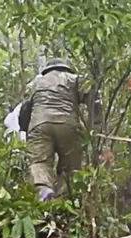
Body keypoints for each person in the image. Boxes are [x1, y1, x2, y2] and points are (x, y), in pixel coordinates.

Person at [19, 58, 101, 201]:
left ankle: (43, 191)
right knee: (71, 166)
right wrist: (95, 124)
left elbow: (25, 110)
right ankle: (64, 199)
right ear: (66, 68)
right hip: (68, 124)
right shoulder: (75, 79)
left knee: (39, 162)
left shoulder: (35, 83)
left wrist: (26, 130)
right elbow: (93, 98)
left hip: (39, 124)